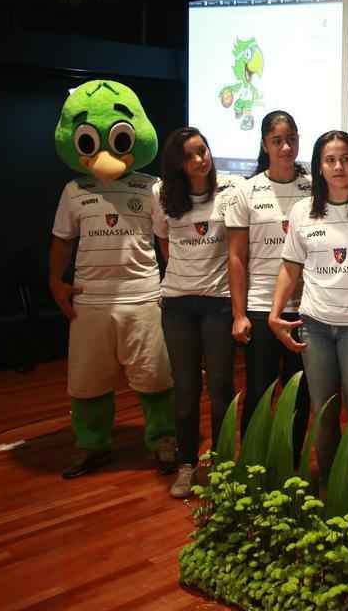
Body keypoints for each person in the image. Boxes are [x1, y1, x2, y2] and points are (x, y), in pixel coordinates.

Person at [48, 79, 176, 479]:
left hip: (143, 296)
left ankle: (163, 441)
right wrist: (55, 281)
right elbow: (62, 240)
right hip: (90, 300)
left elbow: (164, 240)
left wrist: (170, 284)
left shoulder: (152, 186)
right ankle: (92, 446)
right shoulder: (74, 189)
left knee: (155, 376)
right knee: (86, 382)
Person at [268, 131, 348, 478]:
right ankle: (333, 484)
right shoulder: (303, 211)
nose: (338, 167)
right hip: (315, 325)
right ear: (319, 166)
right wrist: (275, 313)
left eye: (346, 159)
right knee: (323, 409)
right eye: (330, 160)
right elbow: (291, 268)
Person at [153, 127, 241, 498]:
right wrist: (184, 277)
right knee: (186, 390)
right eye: (189, 156)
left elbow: (238, 251)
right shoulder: (161, 194)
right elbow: (164, 243)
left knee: (221, 389)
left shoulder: (231, 190)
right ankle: (187, 464)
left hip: (219, 304)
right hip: (177, 305)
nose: (199, 160)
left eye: (202, 151)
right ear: (178, 163)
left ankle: (221, 466)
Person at [224, 110, 311, 456]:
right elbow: (236, 258)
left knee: (299, 394)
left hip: (305, 309)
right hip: (261, 309)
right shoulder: (246, 191)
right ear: (265, 144)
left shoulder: (314, 189)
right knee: (260, 391)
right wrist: (238, 314)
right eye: (277, 141)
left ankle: (291, 469)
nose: (286, 147)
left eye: (291, 139)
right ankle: (252, 467)